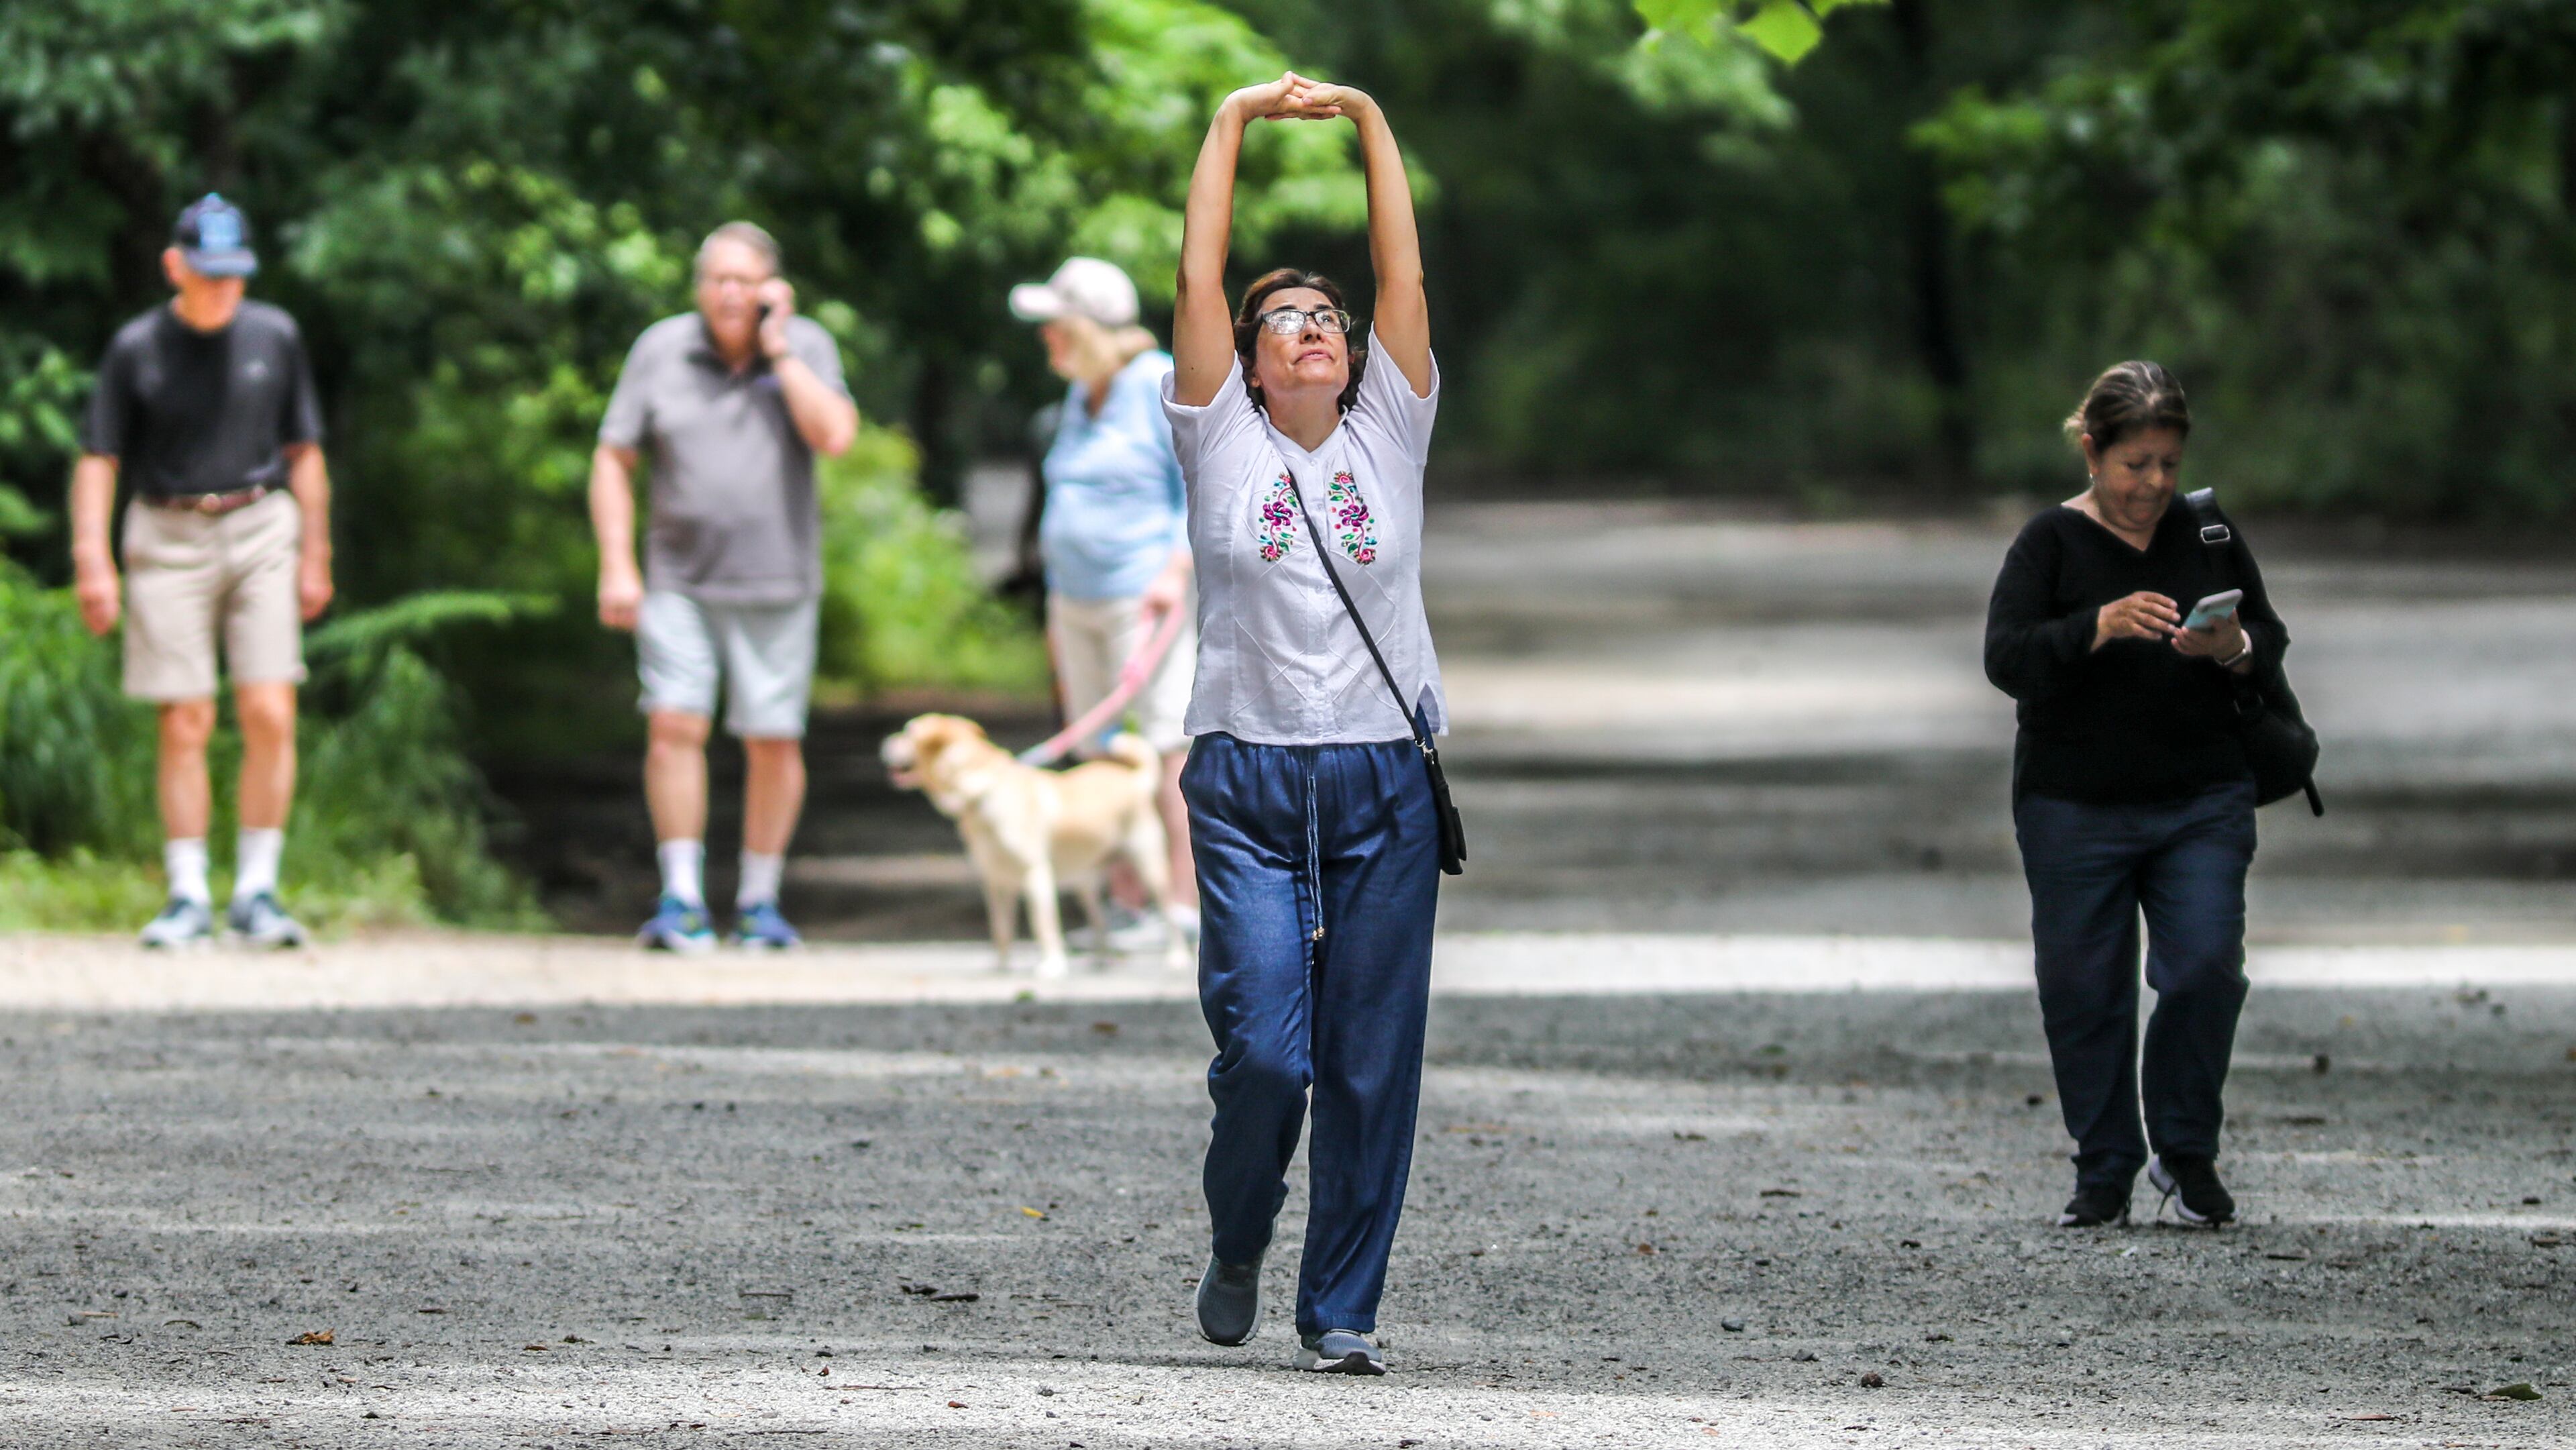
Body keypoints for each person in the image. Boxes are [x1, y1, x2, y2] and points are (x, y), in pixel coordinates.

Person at [1164, 73, 1446, 1375]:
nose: (1315, 331)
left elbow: (1402, 269)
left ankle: (1340, 1311)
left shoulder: (1392, 427)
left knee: (1372, 1065)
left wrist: (1370, 123)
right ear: (1248, 354)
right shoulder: (1219, 436)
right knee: (1270, 1059)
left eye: (1327, 317)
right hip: (1248, 781)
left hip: (1384, 782)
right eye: (1285, 321)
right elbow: (1198, 269)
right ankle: (1240, 1230)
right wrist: (1232, 120)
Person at [1984, 361, 2290, 1231]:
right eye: (2134, 465)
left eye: (2167, 463)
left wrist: (2232, 647)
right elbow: (2006, 657)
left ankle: (2186, 1151)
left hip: (2202, 796)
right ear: (2092, 451)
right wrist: (2097, 626)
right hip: (2073, 803)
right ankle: (2106, 1166)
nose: (2154, 484)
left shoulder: (2208, 531)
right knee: (2085, 988)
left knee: (2202, 969)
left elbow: (2268, 636)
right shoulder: (2048, 544)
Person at [70, 195, 334, 949]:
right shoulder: (136, 348)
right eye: (209, 273)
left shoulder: (275, 336)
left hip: (261, 525)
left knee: (270, 708)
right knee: (185, 717)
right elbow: (100, 457)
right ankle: (188, 892)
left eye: (235, 274)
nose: (224, 287)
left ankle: (257, 888)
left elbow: (305, 452)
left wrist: (318, 552)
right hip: (166, 529)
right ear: (174, 267)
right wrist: (94, 561)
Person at [591, 221, 859, 952]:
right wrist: (618, 563)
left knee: (772, 739)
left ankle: (758, 901)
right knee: (673, 723)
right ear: (700, 286)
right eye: (717, 279)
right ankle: (680, 896)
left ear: (771, 288)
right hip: (678, 577)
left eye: (744, 280)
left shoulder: (806, 345)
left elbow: (835, 435)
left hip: (778, 580)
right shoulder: (661, 349)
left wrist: (780, 352)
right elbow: (613, 456)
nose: (729, 293)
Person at [1008, 256, 1200, 941]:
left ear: (1087, 326)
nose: (1045, 338)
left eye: (1053, 325)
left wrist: (1176, 571)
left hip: (1141, 600)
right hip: (1076, 602)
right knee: (1097, 754)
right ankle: (1125, 902)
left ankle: (1179, 905)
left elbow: (1197, 487)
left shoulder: (1155, 384)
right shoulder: (1077, 396)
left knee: (1160, 748)